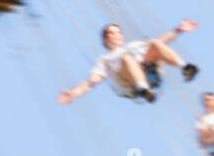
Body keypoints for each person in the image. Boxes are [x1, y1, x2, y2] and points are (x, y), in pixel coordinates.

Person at [58, 20, 199, 105]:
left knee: (154, 43)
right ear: (105, 40)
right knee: (126, 58)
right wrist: (74, 93)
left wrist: (179, 30)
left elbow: (161, 43)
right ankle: (143, 89)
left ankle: (185, 67)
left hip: (148, 71)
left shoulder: (133, 45)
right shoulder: (105, 60)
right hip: (130, 83)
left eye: (118, 32)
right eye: (111, 33)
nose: (116, 35)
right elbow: (91, 82)